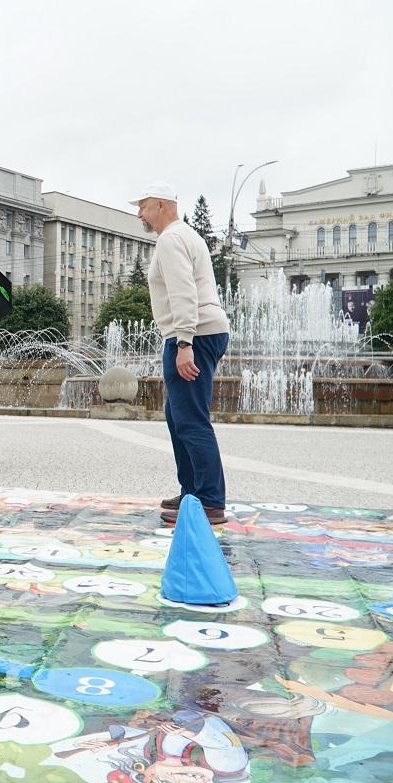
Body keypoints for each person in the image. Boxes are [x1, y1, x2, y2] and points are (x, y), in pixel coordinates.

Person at [132, 182, 231, 526]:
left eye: (143, 206)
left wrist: (184, 342)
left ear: (161, 205)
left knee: (190, 418)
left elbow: (183, 290)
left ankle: (209, 501)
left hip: (193, 332)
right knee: (178, 415)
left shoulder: (171, 239)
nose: (139, 213)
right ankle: (192, 491)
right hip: (201, 330)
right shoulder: (184, 235)